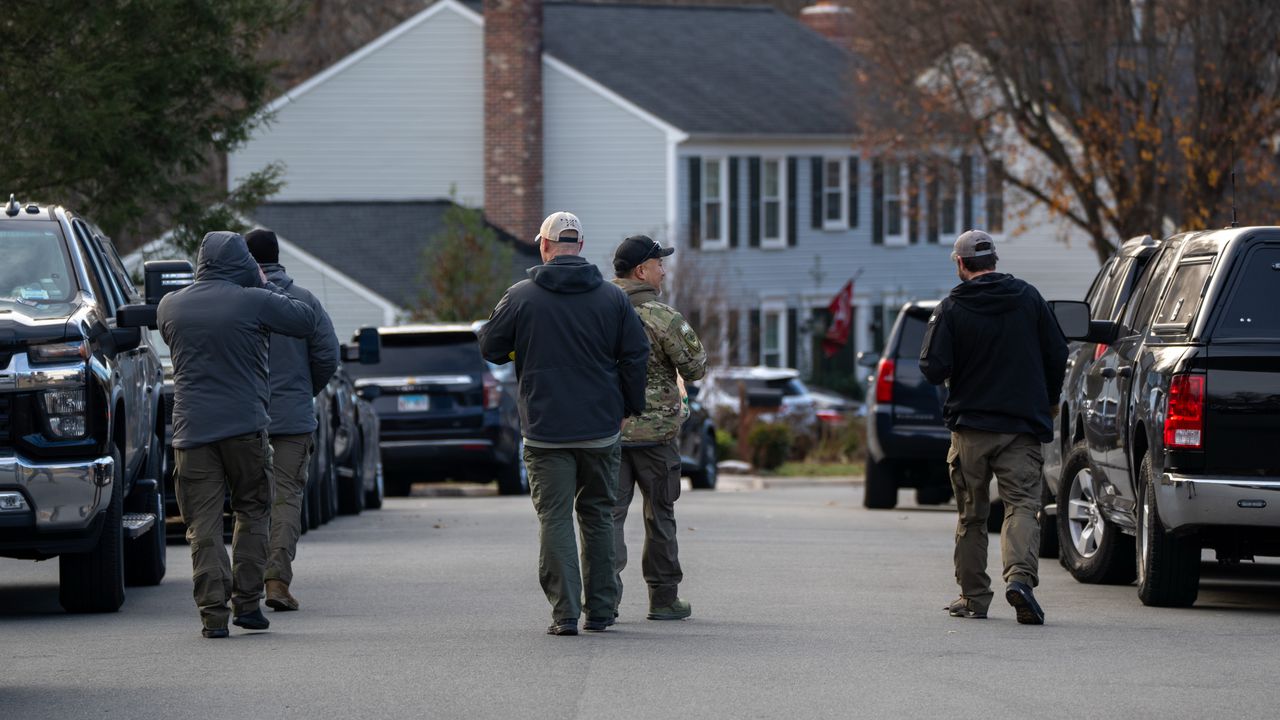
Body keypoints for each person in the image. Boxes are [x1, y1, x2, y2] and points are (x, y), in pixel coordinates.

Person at [478, 211, 650, 636]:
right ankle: (602, 610)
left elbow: (490, 347)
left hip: (545, 429)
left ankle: (566, 613)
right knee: (598, 515)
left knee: (554, 518)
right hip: (600, 427)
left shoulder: (521, 297)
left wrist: (521, 346)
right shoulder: (612, 299)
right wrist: (629, 406)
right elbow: (635, 354)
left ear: (544, 246)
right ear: (581, 246)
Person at [159, 231, 317, 638]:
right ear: (242, 262)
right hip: (246, 428)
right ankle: (247, 604)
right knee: (253, 511)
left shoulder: (171, 306)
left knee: (203, 525)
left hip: (192, 432)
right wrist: (261, 282)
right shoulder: (254, 300)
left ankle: (213, 615)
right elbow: (305, 320)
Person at [919, 229, 1068, 625]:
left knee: (972, 514)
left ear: (960, 263)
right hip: (1021, 427)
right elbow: (1057, 352)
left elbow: (932, 367)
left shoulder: (951, 308)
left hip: (970, 428)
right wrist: (1049, 399)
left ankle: (973, 598)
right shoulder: (1029, 299)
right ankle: (1019, 579)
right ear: (994, 260)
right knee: (1022, 505)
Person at [609, 235, 707, 621]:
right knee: (660, 515)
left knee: (606, 518)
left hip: (607, 433)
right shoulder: (662, 316)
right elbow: (696, 368)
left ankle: (602, 601)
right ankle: (664, 599)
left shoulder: (597, 310)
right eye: (658, 264)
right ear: (641, 271)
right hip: (656, 436)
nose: (663, 271)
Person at [245, 228, 339, 613]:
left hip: (245, 417)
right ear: (277, 256)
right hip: (293, 418)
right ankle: (277, 581)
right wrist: (303, 391)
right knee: (286, 497)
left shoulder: (236, 303)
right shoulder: (304, 301)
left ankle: (244, 584)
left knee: (249, 500)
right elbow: (328, 356)